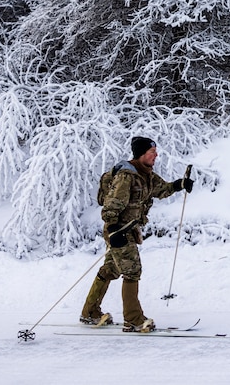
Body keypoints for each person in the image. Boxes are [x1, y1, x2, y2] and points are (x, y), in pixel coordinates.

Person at [80, 136, 193, 332]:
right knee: (132, 271)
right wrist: (114, 230)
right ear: (142, 154)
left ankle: (90, 312)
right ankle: (133, 320)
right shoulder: (127, 176)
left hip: (129, 230)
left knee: (111, 269)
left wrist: (179, 184)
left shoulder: (146, 174)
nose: (156, 155)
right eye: (152, 152)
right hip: (119, 231)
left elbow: (162, 189)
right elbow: (111, 205)